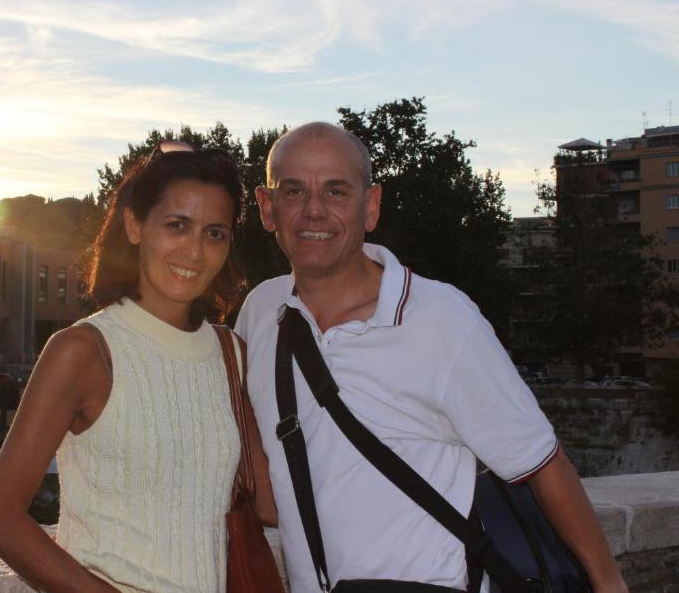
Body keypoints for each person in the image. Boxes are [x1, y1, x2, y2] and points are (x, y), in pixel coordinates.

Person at [235, 122, 627, 592]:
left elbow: (541, 463)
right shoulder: (261, 312)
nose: (314, 210)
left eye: (336, 191)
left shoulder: (441, 319)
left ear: (371, 205)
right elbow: (270, 470)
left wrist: (609, 585)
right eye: (294, 190)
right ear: (266, 207)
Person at [0, 142, 275, 593]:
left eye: (215, 233)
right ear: (135, 225)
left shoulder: (233, 354)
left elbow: (271, 503)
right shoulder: (83, 350)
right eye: (177, 225)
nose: (195, 251)